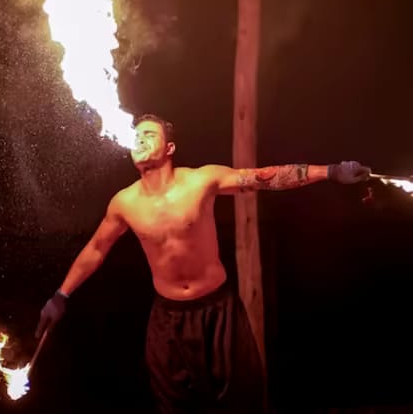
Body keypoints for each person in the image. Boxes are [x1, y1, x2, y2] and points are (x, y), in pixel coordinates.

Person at [35, 113, 370, 413]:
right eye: (136, 135)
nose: (140, 139)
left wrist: (330, 171)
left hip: (218, 312)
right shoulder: (124, 202)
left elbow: (263, 178)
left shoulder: (200, 180)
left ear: (170, 148)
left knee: (242, 401)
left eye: (149, 134)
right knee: (174, 405)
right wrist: (61, 295)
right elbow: (96, 249)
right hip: (168, 319)